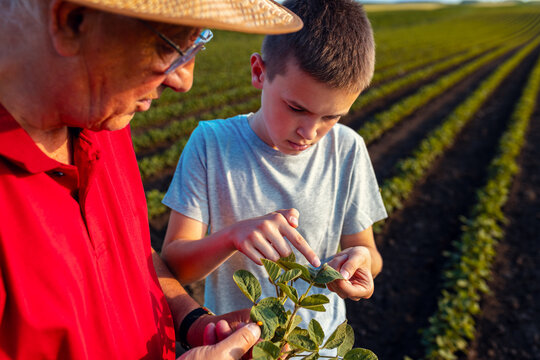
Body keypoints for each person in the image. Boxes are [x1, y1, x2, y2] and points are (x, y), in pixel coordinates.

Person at [0, 0, 304, 359]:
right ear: (72, 21)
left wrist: (195, 323)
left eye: (198, 42)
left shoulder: (103, 119)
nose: (184, 80)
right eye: (170, 44)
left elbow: (134, 253)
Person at [161, 0, 387, 354]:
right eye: (297, 108)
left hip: (319, 348)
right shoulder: (212, 144)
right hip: (238, 347)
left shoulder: (348, 149)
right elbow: (177, 265)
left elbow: (370, 252)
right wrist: (232, 236)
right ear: (259, 72)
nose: (310, 132)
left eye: (332, 117)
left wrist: (360, 262)